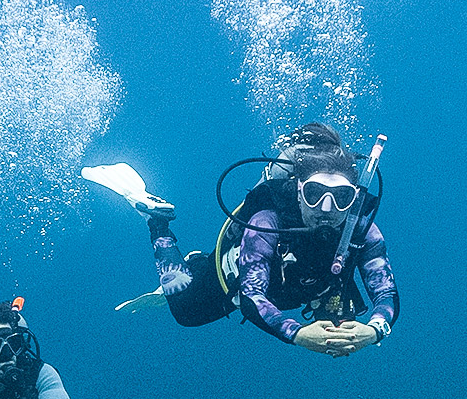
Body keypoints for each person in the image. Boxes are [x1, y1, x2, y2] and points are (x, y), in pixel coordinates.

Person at [121, 122, 398, 354]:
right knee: (186, 313)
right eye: (315, 194)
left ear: (354, 197)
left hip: (298, 289)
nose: (326, 209)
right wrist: (298, 334)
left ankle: (197, 261)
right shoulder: (266, 222)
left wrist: (374, 329)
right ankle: (157, 220)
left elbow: (386, 292)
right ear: (298, 190)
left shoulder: (363, 230)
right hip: (235, 276)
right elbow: (251, 294)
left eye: (341, 197)